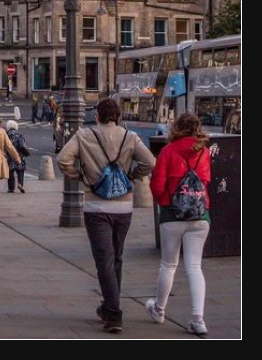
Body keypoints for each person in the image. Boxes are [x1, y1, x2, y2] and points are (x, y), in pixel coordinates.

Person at [57, 98, 155, 334]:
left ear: (98, 116)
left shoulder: (84, 135)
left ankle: (113, 314)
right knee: (116, 257)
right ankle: (110, 305)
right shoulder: (129, 136)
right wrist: (132, 175)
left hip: (96, 207)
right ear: (118, 116)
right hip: (124, 207)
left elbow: (62, 160)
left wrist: (81, 176)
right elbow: (150, 161)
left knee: (104, 261)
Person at [147, 112, 212, 335]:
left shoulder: (168, 151)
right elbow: (205, 182)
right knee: (194, 267)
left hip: (172, 216)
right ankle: (198, 319)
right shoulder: (203, 151)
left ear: (177, 128)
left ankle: (159, 309)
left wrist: (166, 203)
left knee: (168, 265)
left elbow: (157, 184)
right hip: (199, 215)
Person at [5, 119, 28, 193]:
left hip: (10, 155)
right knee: (20, 170)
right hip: (20, 154)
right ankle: (20, 184)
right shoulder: (20, 134)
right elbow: (24, 145)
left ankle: (11, 188)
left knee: (10, 172)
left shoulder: (6, 134)